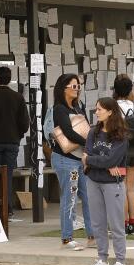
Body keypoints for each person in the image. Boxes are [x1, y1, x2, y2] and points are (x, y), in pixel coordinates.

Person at [83, 97, 129, 265]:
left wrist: (91, 161)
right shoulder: (93, 132)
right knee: (97, 223)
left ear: (110, 111)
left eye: (100, 109)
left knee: (116, 223)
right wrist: (95, 162)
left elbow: (111, 160)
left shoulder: (121, 135)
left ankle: (121, 261)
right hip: (93, 181)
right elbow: (86, 155)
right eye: (96, 109)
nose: (97, 112)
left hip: (113, 184)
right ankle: (102, 258)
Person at [51, 73, 94, 250]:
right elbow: (68, 132)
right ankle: (66, 238)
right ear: (63, 88)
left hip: (79, 160)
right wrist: (88, 143)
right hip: (66, 159)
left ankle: (93, 235)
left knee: (88, 197)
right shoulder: (59, 109)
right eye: (73, 86)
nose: (77, 89)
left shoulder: (78, 108)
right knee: (70, 197)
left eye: (78, 86)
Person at [0, 66, 31, 217]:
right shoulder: (18, 98)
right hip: (12, 141)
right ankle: (7, 207)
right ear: (10, 80)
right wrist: (19, 135)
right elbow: (24, 122)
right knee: (7, 173)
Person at [112, 74, 134, 235]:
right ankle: (133, 224)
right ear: (130, 89)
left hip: (120, 150)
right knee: (131, 189)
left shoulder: (112, 107)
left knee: (122, 188)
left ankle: (124, 224)